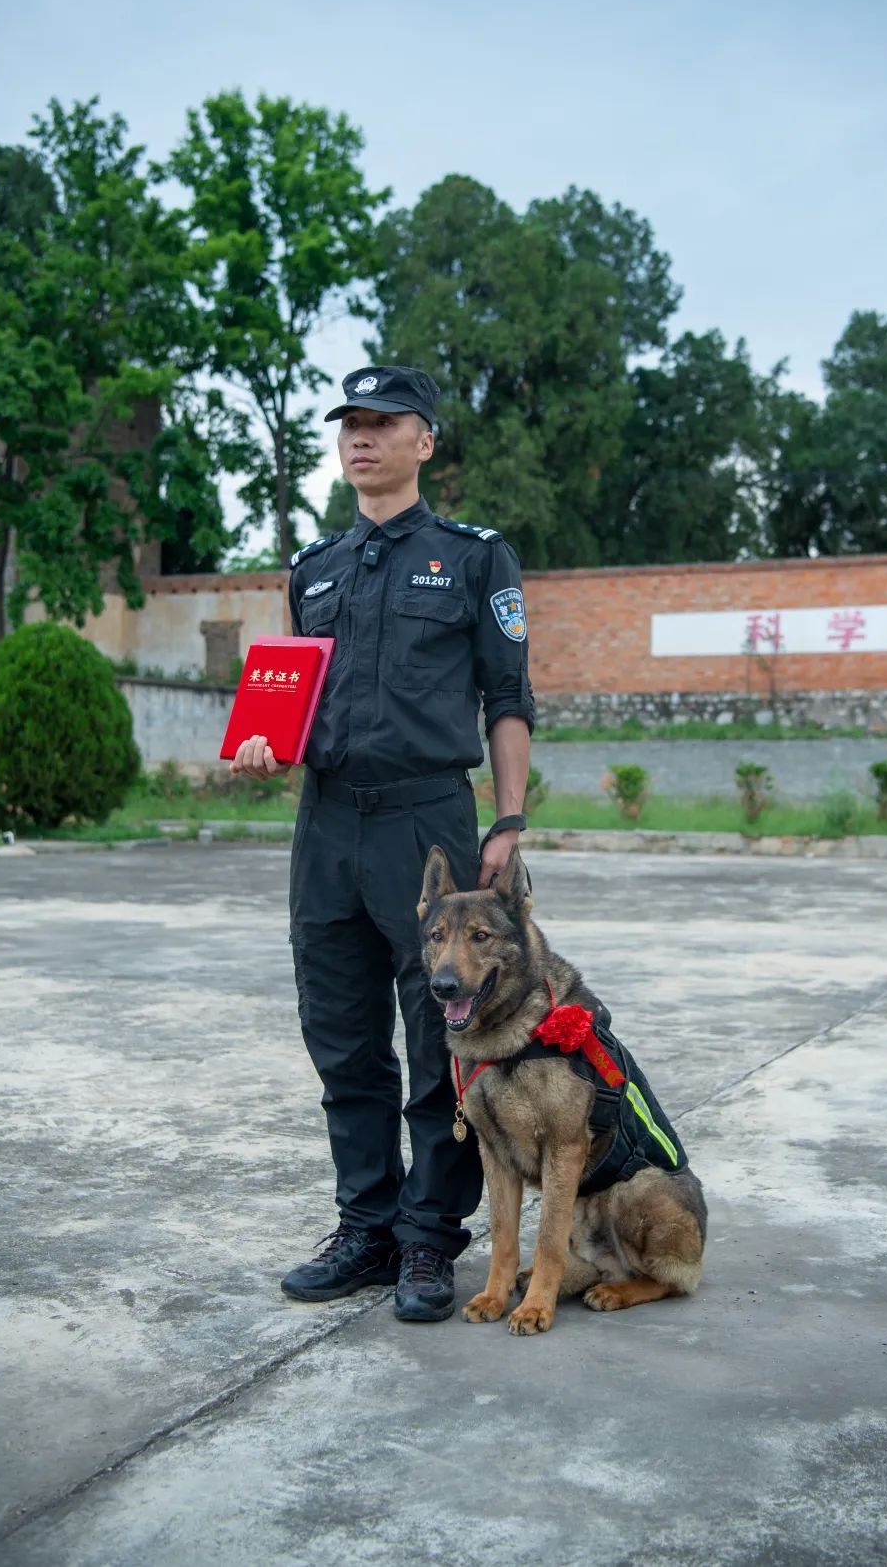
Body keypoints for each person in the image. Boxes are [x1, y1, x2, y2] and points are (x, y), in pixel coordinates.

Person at [231, 364, 534, 1322]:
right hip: (326, 824)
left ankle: (428, 1240)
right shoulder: (313, 568)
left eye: (383, 422)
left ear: (424, 442)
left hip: (425, 824)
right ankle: (364, 1224)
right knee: (340, 1034)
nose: (361, 438)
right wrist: (259, 747)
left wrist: (510, 819)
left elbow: (508, 697)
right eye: (350, 425)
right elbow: (295, 698)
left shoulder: (474, 557)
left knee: (437, 1032)